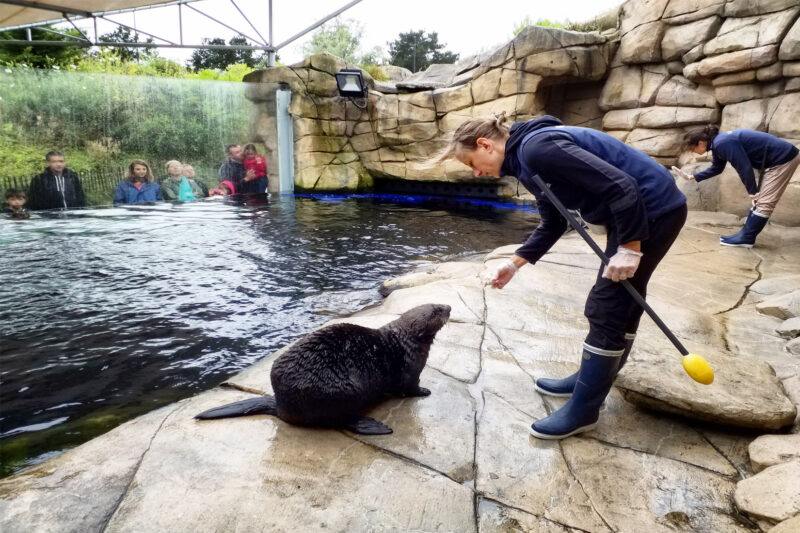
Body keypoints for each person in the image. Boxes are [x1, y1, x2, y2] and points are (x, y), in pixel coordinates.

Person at [438, 113, 687, 440]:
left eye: (472, 162)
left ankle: (585, 409)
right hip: (644, 211)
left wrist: (630, 247)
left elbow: (621, 186)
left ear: (485, 144)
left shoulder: (537, 149)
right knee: (619, 302)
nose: (475, 172)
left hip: (653, 210)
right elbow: (554, 221)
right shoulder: (526, 160)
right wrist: (513, 264)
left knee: (608, 304)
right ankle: (589, 378)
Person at [674, 125, 800, 248]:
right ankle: (745, 236)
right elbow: (716, 168)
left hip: (783, 159)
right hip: (776, 160)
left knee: (764, 202)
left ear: (701, 143)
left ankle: (746, 238)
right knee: (760, 200)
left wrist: (752, 191)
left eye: (692, 148)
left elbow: (744, 167)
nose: (692, 152)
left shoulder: (722, 143)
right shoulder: (719, 144)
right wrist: (692, 177)